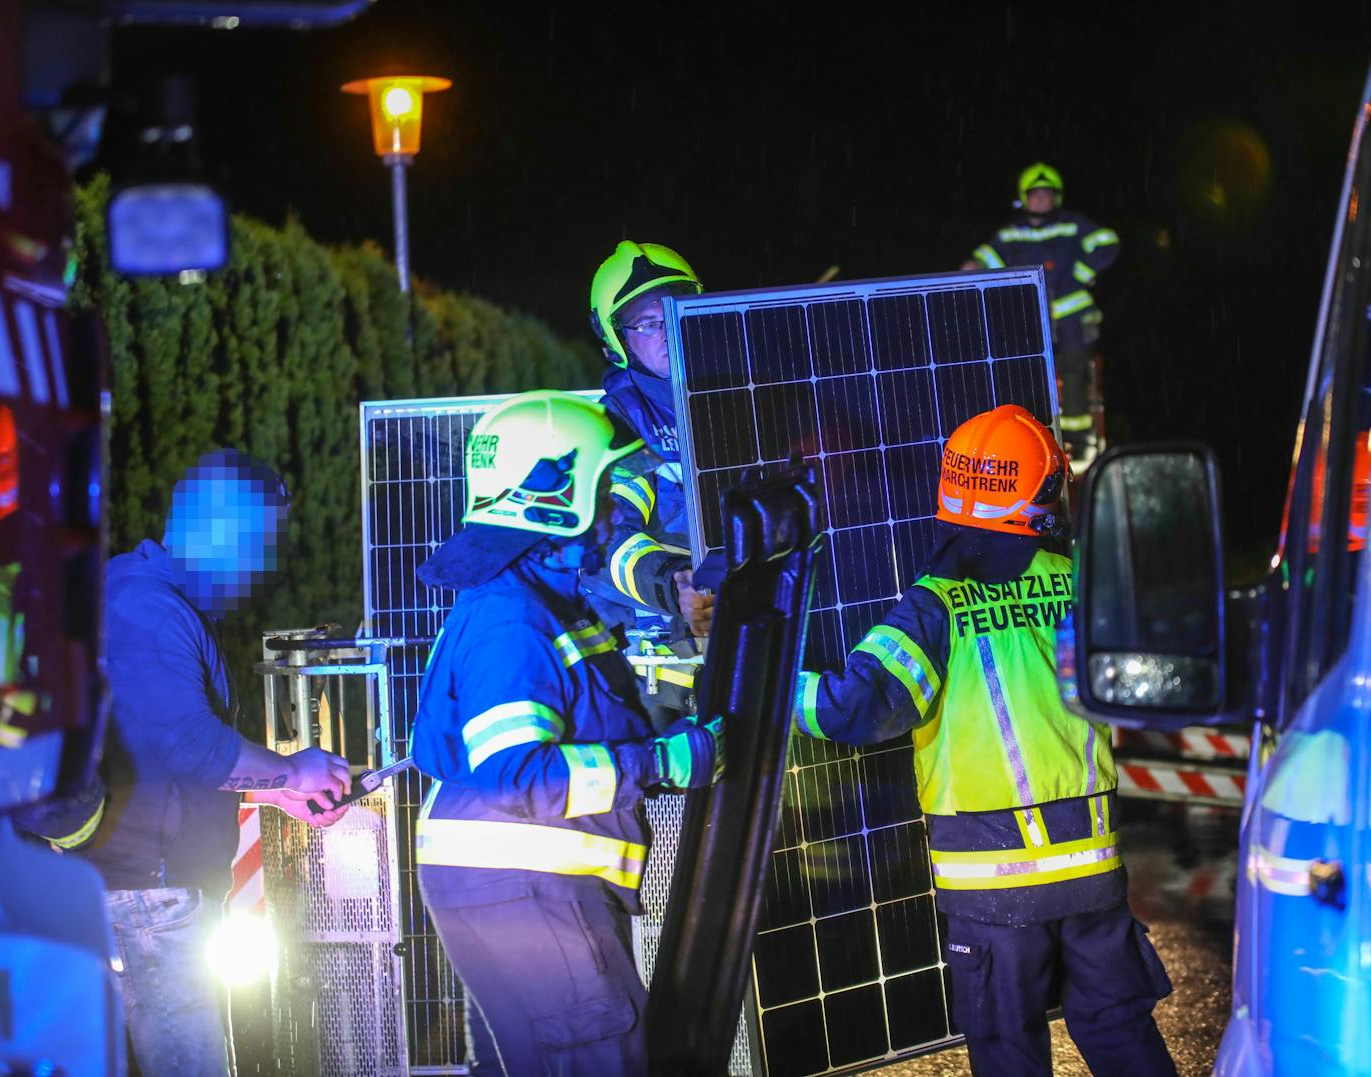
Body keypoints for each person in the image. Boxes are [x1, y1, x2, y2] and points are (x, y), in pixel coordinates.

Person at [792, 405, 1175, 1077]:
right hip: (1092, 872)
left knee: (1007, 1049)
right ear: (1036, 493)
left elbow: (855, 710)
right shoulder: (1079, 582)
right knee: (1118, 1028)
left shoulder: (935, 605)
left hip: (993, 887)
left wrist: (766, 686)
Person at [410, 390, 724, 1076]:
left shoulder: (534, 599)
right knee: (600, 1057)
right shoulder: (510, 620)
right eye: (604, 489)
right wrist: (666, 758)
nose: (614, 509)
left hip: (522, 882)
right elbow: (518, 774)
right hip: (528, 883)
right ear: (557, 495)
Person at [76, 449, 352, 1077]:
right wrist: (291, 774)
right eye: (260, 541)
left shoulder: (153, 603)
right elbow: (189, 745)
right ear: (217, 528)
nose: (265, 565)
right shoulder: (144, 607)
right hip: (146, 902)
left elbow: (161, 759)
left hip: (152, 896)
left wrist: (274, 793)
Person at [587, 241, 714, 689]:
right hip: (663, 660)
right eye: (646, 322)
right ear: (615, 341)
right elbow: (608, 538)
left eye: (677, 309)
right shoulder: (618, 426)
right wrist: (673, 583)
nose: (668, 330)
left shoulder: (746, 395)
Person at [963, 164, 1120, 465]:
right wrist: (971, 265)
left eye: (1047, 194)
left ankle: (1079, 444)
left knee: (1074, 374)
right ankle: (1034, 441)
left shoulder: (1072, 225)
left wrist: (1081, 271)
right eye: (1036, 194)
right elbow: (988, 256)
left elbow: (1107, 242)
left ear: (1056, 197)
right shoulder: (1012, 233)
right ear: (1025, 197)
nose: (1041, 200)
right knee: (1030, 376)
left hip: (1073, 318)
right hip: (1033, 320)